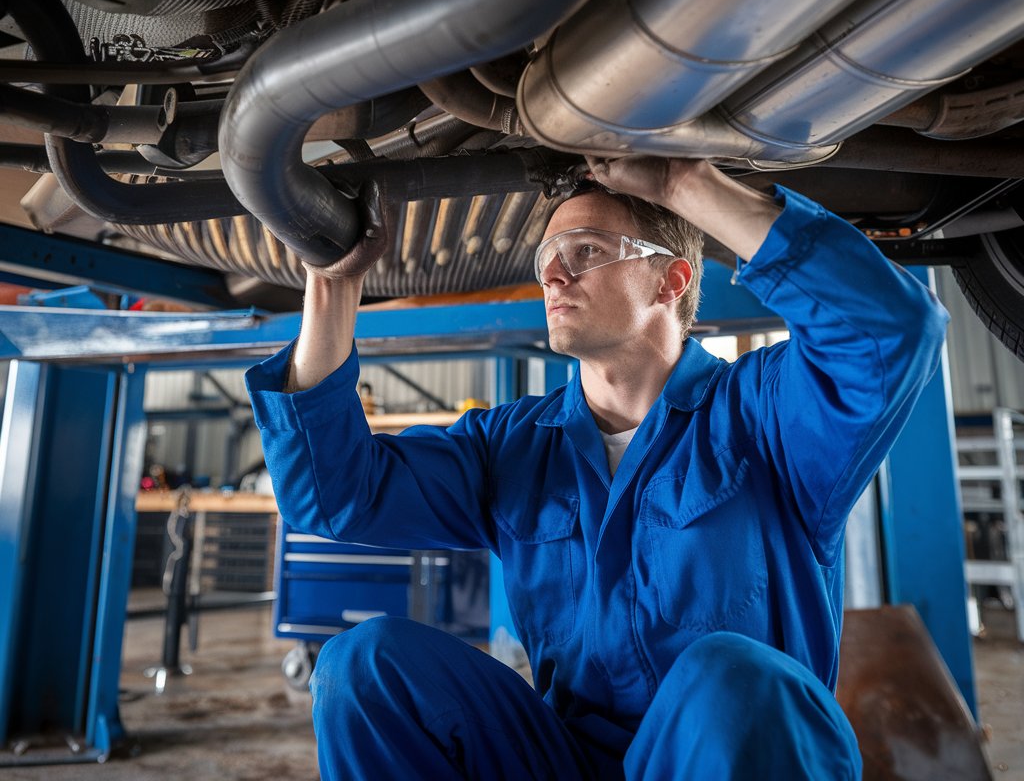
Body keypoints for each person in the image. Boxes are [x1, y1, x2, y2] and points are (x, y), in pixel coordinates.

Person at [246, 156, 949, 780]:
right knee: (363, 665)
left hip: (731, 752)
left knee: (729, 676)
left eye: (585, 250)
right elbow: (332, 496)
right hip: (564, 755)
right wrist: (333, 289)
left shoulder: (765, 416)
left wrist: (683, 180)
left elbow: (892, 329)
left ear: (671, 280)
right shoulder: (514, 445)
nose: (552, 273)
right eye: (548, 254)